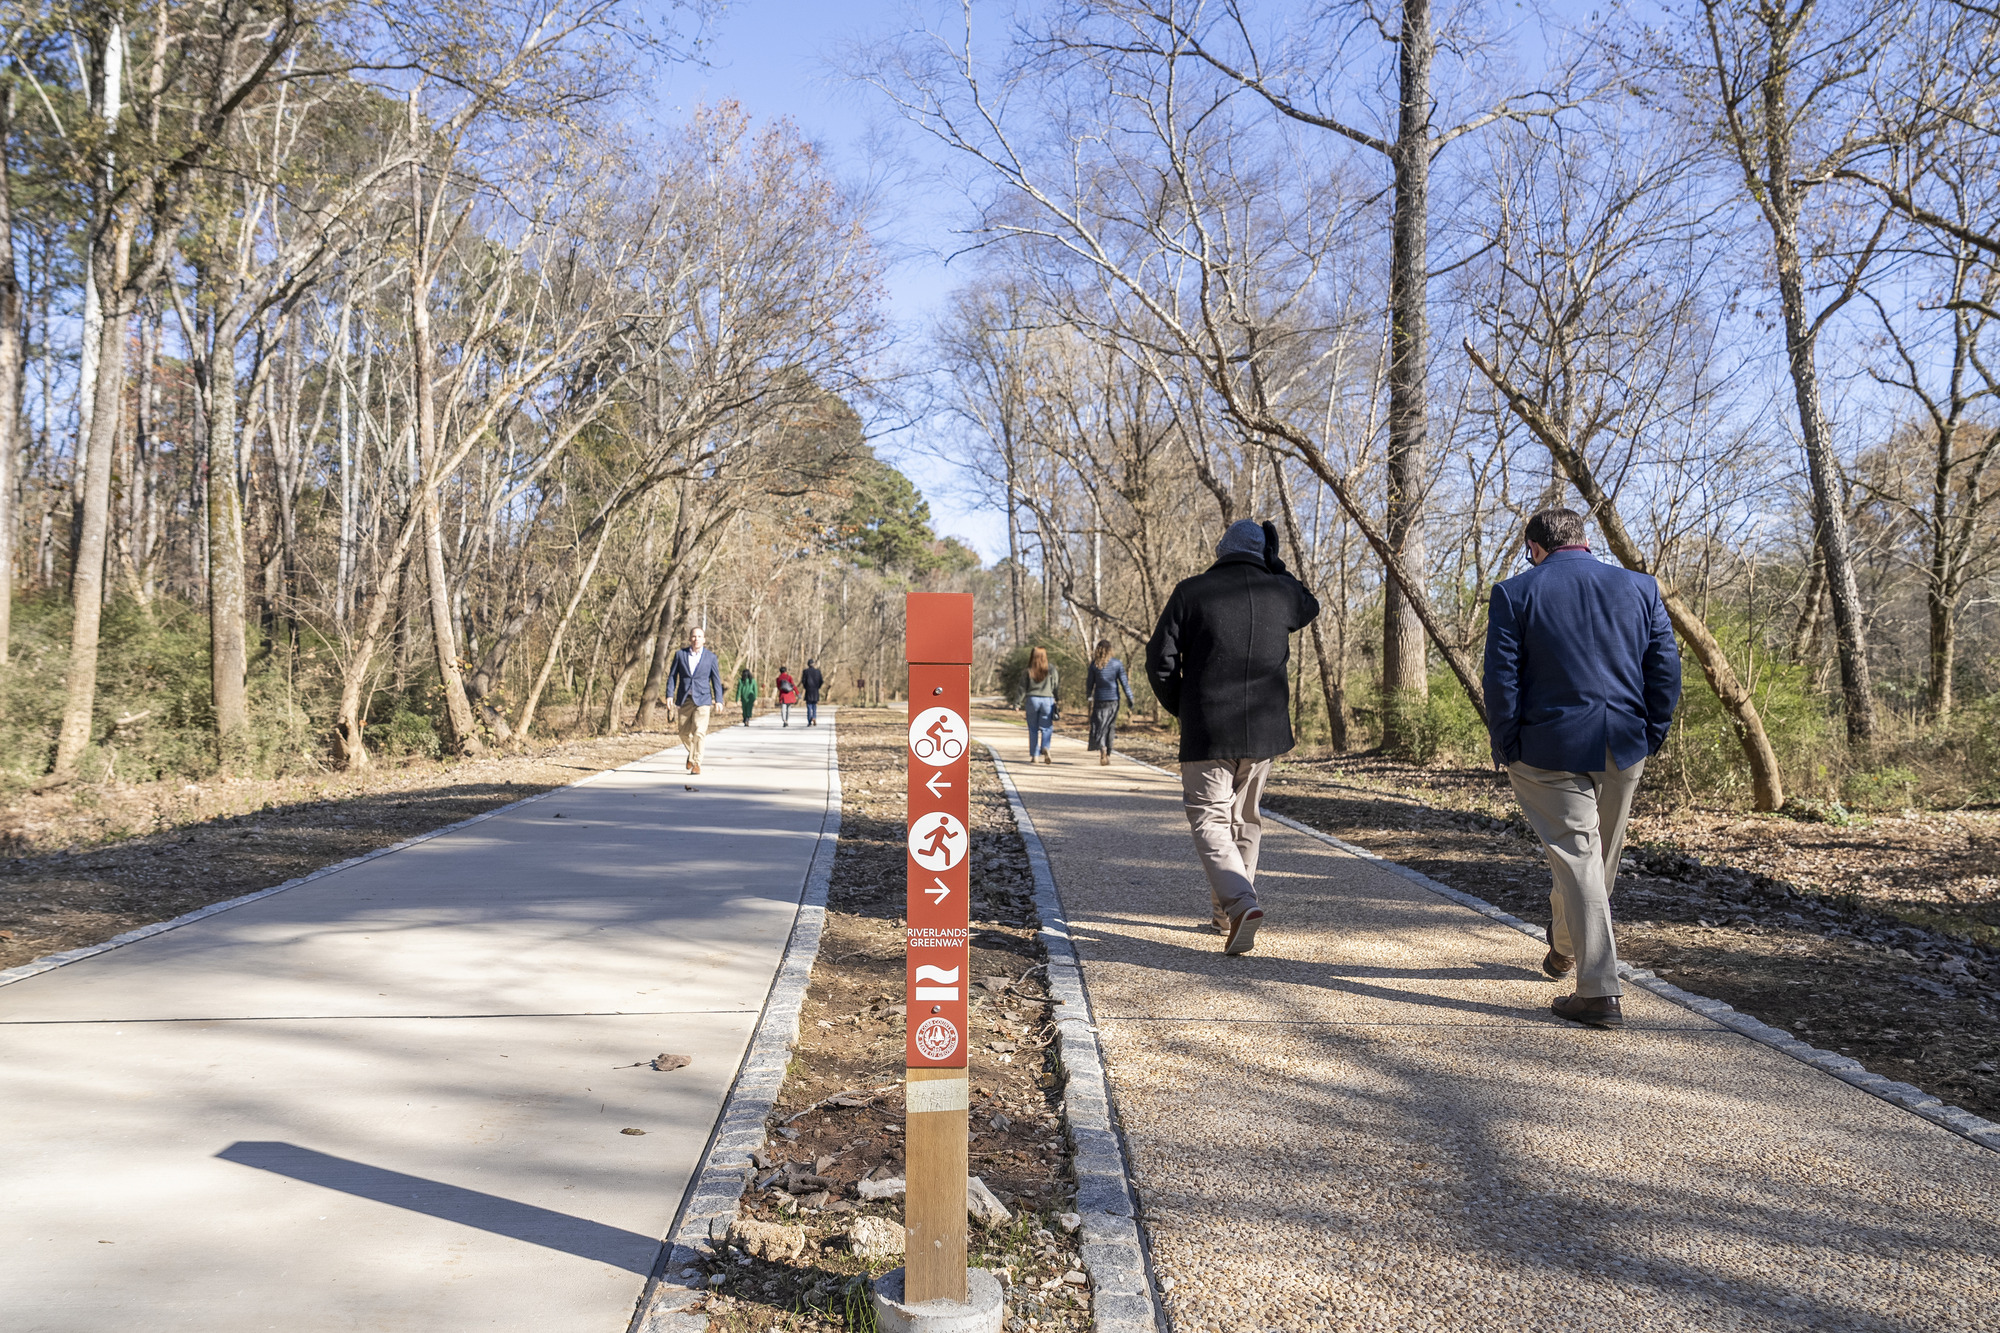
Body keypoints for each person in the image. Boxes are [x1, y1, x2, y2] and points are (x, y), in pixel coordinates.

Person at [1483, 506, 1681, 1030]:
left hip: (1547, 749)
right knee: (1595, 859)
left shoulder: (1515, 592)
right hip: (1624, 744)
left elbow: (1502, 681)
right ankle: (1566, 945)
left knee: (1579, 859)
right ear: (1585, 540)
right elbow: (1665, 668)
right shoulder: (1641, 588)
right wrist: (1651, 733)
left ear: (1534, 548)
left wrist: (1508, 747)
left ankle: (1597, 992)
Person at [1147, 519, 1319, 956]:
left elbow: (1159, 660)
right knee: (1245, 819)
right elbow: (1309, 605)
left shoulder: (1191, 592)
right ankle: (1228, 914)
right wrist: (1277, 566)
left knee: (1209, 818)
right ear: (1262, 554)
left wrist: (1183, 708)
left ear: (1221, 549)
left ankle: (1239, 904)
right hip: (1264, 731)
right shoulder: (1279, 592)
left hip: (1208, 727)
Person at [666, 625, 725, 775]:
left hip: (704, 699)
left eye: (699, 636)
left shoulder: (711, 657)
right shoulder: (680, 655)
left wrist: (719, 700)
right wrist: (669, 695)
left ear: (704, 640)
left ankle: (697, 763)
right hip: (685, 699)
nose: (696, 639)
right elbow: (672, 676)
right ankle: (691, 755)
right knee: (684, 733)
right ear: (689, 639)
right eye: (693, 636)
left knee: (699, 732)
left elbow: (716, 680)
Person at [1085, 639, 1137, 766]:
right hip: (1114, 699)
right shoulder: (1117, 664)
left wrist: (1088, 696)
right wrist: (1130, 699)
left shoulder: (1094, 665)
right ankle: (1108, 752)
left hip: (1099, 699)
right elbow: (1124, 683)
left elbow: (1089, 683)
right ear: (1110, 650)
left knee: (1099, 725)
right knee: (1110, 726)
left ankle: (1102, 747)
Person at [1022, 646, 1058, 764]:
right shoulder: (1051, 669)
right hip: (1047, 699)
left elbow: (1022, 687)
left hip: (1032, 699)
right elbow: (1055, 685)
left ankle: (1035, 756)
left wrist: (1017, 703)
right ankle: (1045, 747)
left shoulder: (1028, 670)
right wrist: (1056, 698)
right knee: (1047, 727)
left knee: (1033, 729)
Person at [800, 659, 825, 726]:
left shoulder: (805, 671)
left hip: (808, 690)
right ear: (814, 664)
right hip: (815, 691)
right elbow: (821, 681)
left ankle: (809, 720)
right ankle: (814, 717)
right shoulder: (818, 672)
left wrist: (806, 687)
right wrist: (817, 687)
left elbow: (803, 681)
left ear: (808, 664)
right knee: (814, 705)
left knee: (809, 706)